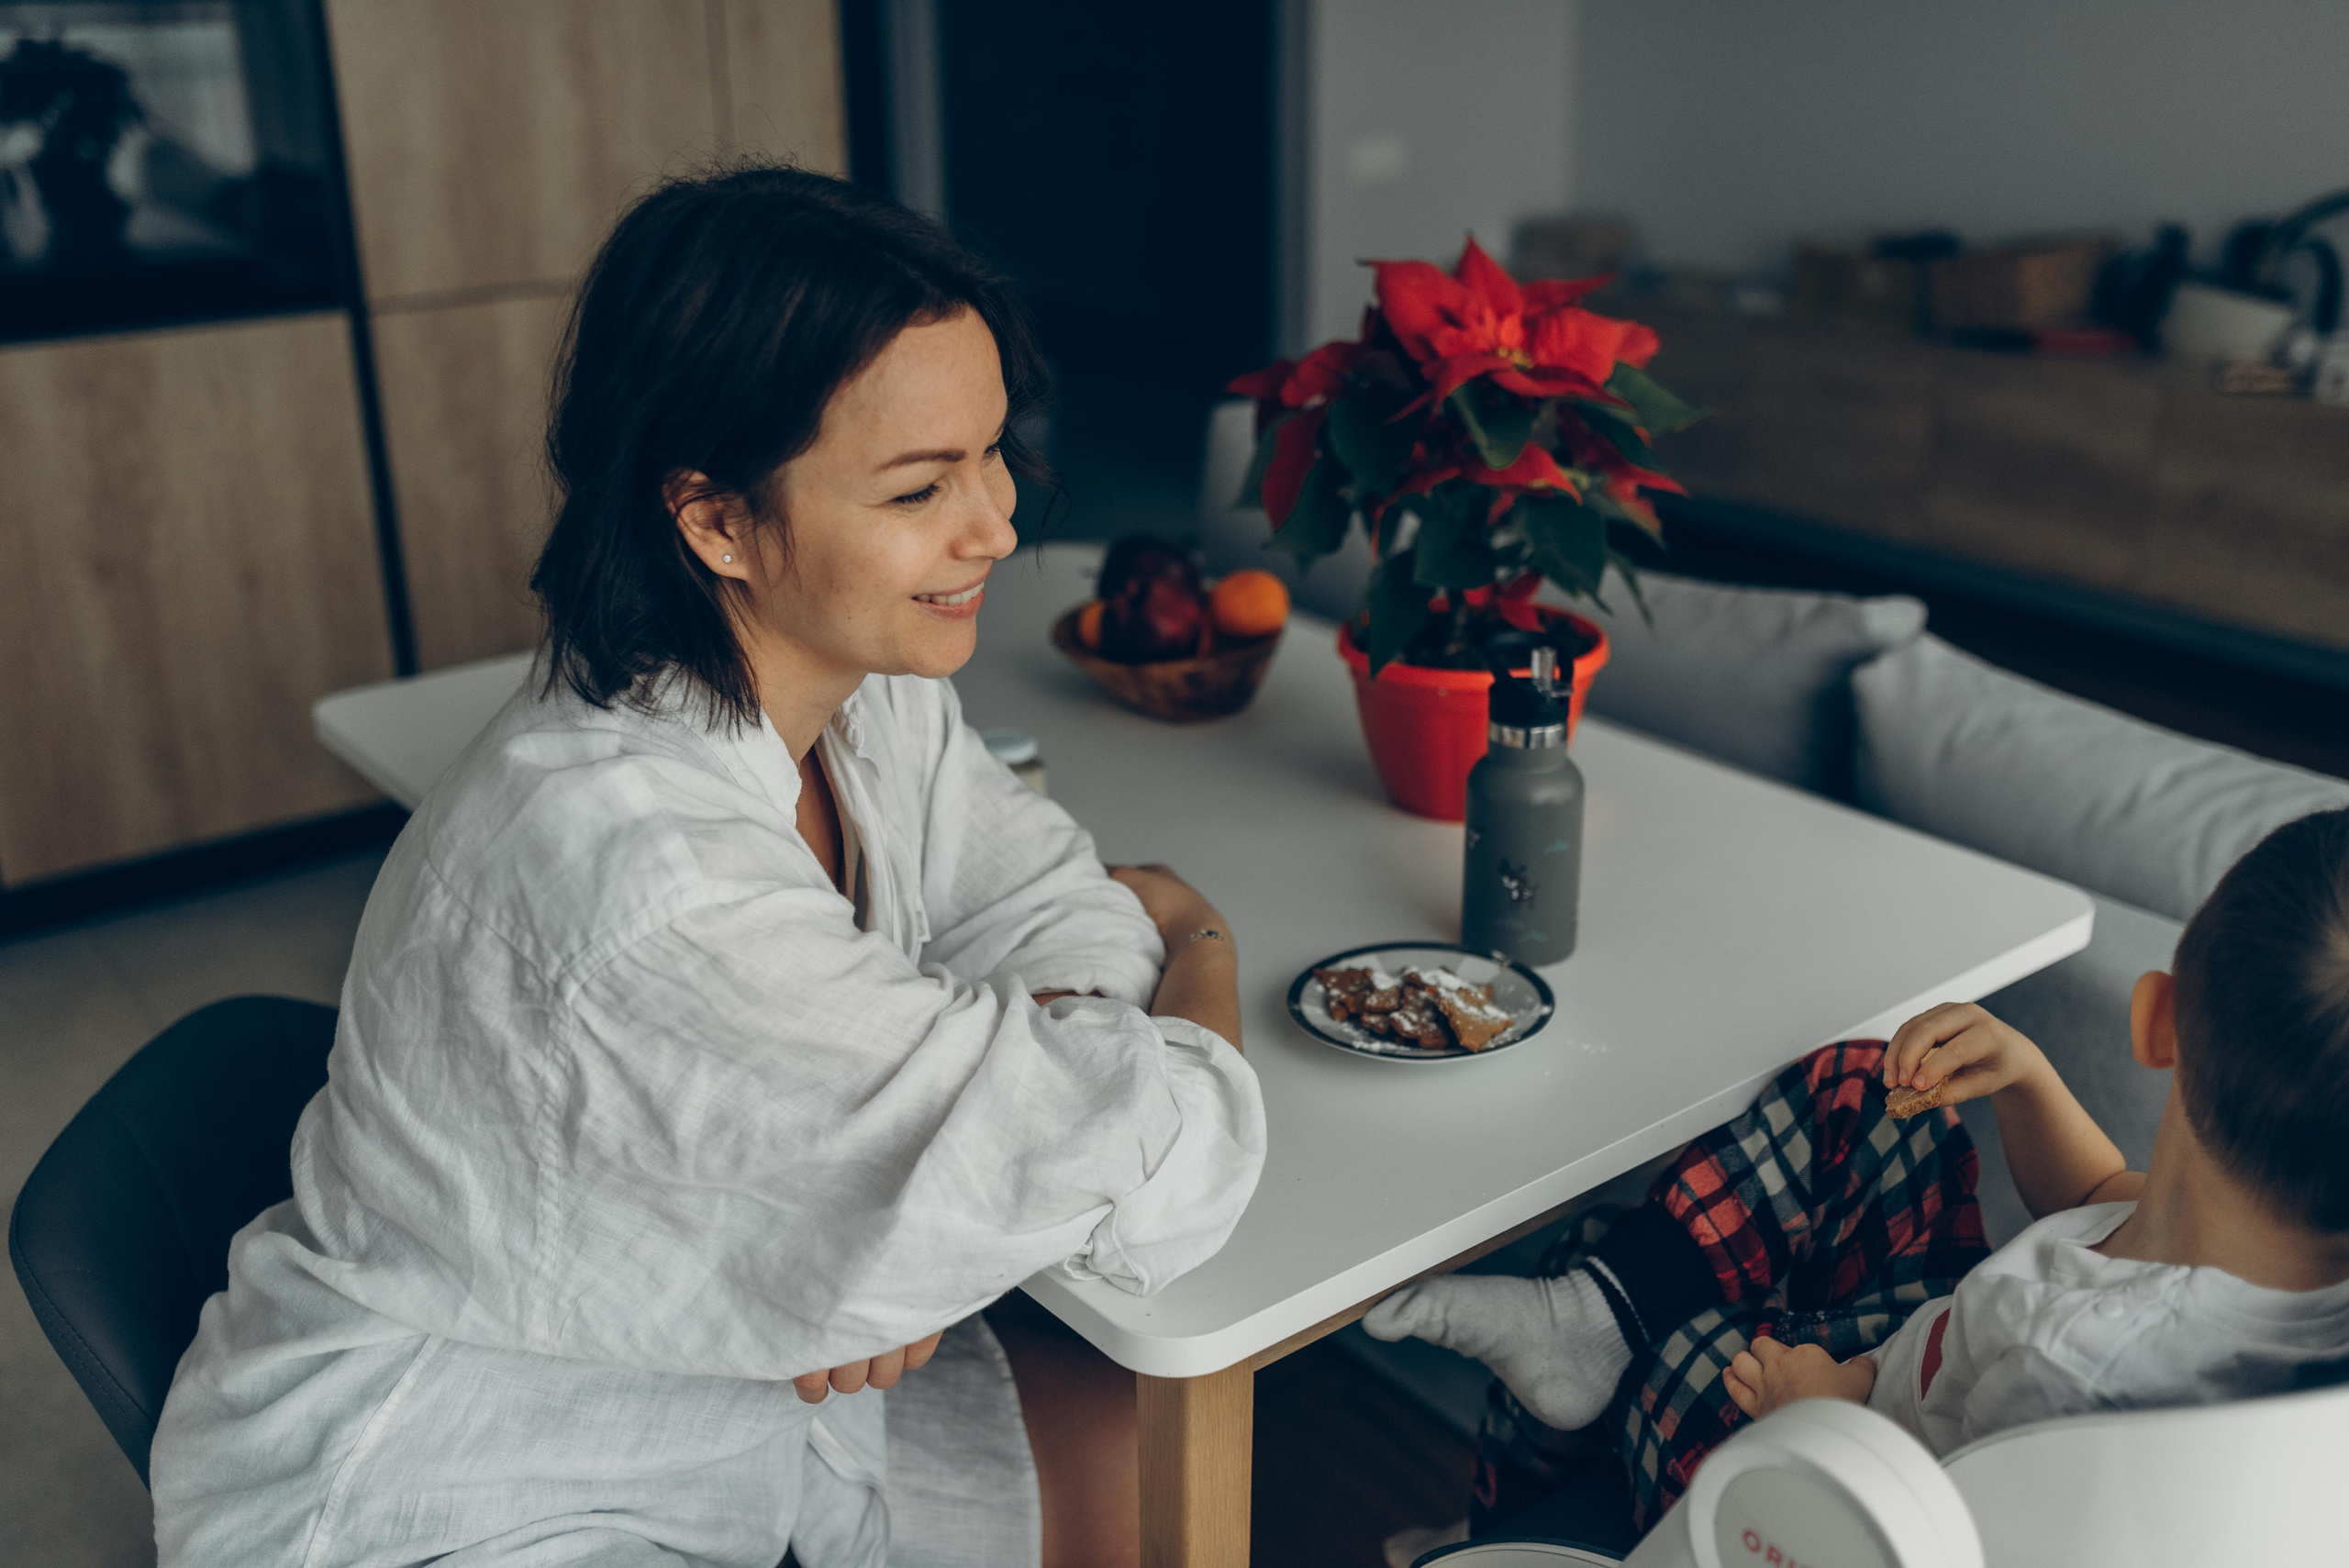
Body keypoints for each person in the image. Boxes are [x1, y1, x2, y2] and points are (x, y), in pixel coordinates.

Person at [149, 163, 1266, 1568]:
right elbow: (1170, 1170)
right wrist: (1200, 954)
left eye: (994, 455)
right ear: (716, 519)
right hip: (477, 1480)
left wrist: (927, 1220)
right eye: (922, 486)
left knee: (1148, 1453)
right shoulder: (646, 889)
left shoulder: (870, 679)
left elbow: (1045, 902)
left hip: (743, 1395)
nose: (996, 527)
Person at [1370, 806, 2349, 1540]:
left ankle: (1504, 1531)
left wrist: (1821, 1413)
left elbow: (1931, 1529)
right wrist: (2027, 1078)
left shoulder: (2065, 1370)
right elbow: (2097, 1201)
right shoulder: (2285, 1259)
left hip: (1856, 1466)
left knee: (1671, 1336)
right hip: (1930, 1347)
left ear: (2155, 1018)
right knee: (1862, 1083)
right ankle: (1592, 1316)